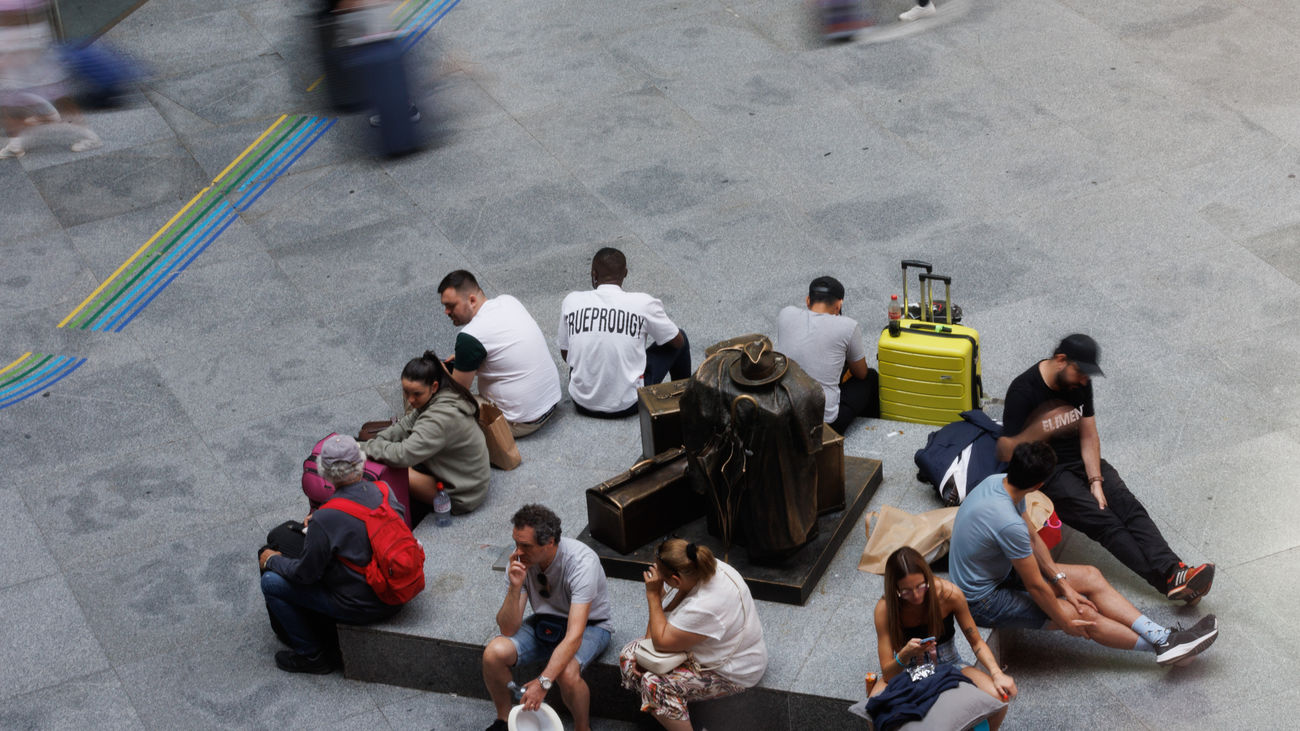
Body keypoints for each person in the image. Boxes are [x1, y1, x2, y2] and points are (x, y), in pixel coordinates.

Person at [950, 441, 1219, 667]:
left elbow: (1032, 536)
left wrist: (1063, 584)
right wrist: (1064, 617)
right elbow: (1034, 585)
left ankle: (1164, 638)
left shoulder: (1000, 482)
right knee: (1084, 616)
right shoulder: (1006, 521)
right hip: (982, 600)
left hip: (997, 570)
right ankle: (1161, 648)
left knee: (1090, 576)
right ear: (1040, 484)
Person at [996, 334, 1214, 603]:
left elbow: (1088, 434)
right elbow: (1007, 451)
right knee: (1105, 521)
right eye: (1081, 373)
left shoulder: (1078, 383)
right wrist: (1039, 428)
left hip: (1082, 458)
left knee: (1126, 504)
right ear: (1061, 360)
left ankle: (1177, 571)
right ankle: (1168, 579)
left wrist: (1096, 480)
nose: (1085, 381)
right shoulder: (1023, 391)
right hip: (1048, 471)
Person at [257, 435, 409, 674]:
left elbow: (304, 574)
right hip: (398, 590)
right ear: (361, 463)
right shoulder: (384, 490)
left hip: (363, 605)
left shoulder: (326, 518)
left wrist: (272, 560)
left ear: (323, 473)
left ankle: (311, 655)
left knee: (271, 581)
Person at [482, 504, 613, 731]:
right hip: (546, 621)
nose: (518, 551)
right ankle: (503, 720)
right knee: (493, 652)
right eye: (516, 543)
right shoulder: (519, 561)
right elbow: (507, 629)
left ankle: (583, 727)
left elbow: (574, 635)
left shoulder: (581, 563)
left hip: (592, 625)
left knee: (566, 673)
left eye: (526, 546)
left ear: (550, 542)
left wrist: (543, 682)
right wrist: (515, 587)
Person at [619, 539, 767, 730]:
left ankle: (673, 713)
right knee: (628, 657)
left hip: (734, 671)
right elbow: (654, 639)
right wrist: (662, 596)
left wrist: (654, 596)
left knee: (654, 684)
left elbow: (656, 643)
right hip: (702, 651)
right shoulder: (700, 567)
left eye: (663, 579)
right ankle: (673, 715)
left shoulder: (704, 606)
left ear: (675, 580)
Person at [871, 546, 1016, 729]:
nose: (916, 596)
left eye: (920, 586)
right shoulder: (885, 609)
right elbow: (888, 674)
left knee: (998, 699)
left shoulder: (949, 594)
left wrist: (997, 673)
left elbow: (977, 642)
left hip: (949, 664)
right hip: (908, 671)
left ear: (927, 577)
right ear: (894, 589)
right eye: (906, 591)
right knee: (873, 710)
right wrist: (905, 654)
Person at [557, 247, 690, 418]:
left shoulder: (572, 301)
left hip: (582, 402)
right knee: (681, 336)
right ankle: (685, 400)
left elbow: (566, 354)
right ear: (625, 273)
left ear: (594, 274)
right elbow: (677, 342)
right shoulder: (643, 303)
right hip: (629, 404)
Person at [359, 350, 491, 513]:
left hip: (463, 495)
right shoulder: (444, 394)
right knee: (383, 453)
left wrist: (361, 448)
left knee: (390, 468)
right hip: (467, 479)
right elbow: (405, 425)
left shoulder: (440, 418)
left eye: (416, 394)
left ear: (434, 386)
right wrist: (378, 441)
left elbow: (403, 455)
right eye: (406, 392)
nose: (410, 400)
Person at [438, 270, 562, 437]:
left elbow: (457, 395)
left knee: (439, 400)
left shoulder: (470, 336)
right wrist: (465, 360)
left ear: (472, 300)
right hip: (550, 404)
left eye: (451, 306)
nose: (446, 312)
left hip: (519, 422)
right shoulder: (508, 301)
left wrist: (441, 373)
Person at [776, 275, 877, 435]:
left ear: (808, 300)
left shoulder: (785, 314)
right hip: (823, 425)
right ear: (839, 305)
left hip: (784, 412)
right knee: (870, 378)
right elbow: (861, 372)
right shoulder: (848, 326)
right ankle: (870, 432)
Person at [0, 0, 101, 158]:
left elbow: (20, 21)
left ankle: (90, 136)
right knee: (7, 103)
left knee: (60, 99)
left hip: (31, 53)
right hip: (21, 53)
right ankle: (15, 144)